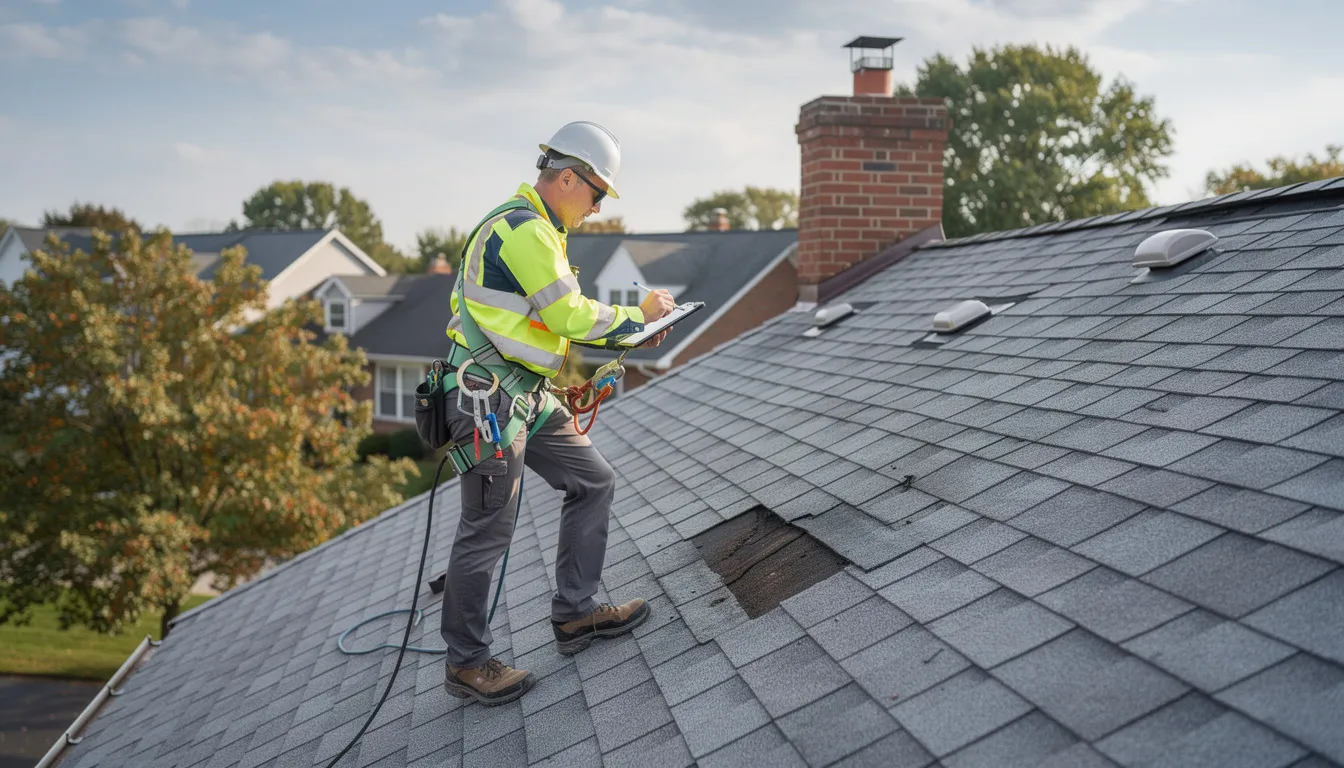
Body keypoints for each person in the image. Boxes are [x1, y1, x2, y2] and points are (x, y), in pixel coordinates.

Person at [439, 121, 676, 706]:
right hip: (489, 400)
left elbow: (545, 320)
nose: (597, 208)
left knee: (593, 480)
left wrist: (629, 333)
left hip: (524, 394)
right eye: (596, 194)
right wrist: (639, 317)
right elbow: (568, 315)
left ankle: (576, 613)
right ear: (568, 178)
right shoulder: (523, 230)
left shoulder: (538, 230)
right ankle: (466, 663)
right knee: (488, 530)